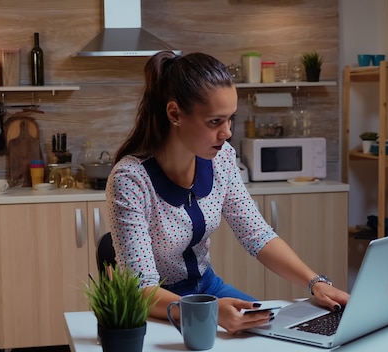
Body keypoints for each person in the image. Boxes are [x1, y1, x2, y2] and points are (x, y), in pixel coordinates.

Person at [105, 50, 349, 334]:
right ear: (175, 114)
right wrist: (205, 312)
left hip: (209, 289)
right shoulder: (130, 180)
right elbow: (142, 289)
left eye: (230, 119)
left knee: (284, 336)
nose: (227, 132)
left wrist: (315, 282)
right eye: (214, 122)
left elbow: (257, 235)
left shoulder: (221, 159)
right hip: (158, 305)